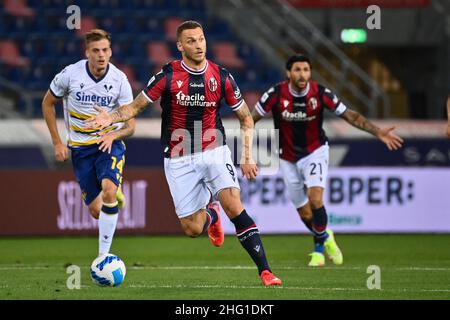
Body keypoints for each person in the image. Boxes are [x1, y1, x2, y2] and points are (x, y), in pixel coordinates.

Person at [86, 20, 281, 286]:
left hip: (214, 149)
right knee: (192, 229)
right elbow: (135, 107)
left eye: (201, 39)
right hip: (178, 155)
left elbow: (246, 118)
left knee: (234, 205)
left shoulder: (221, 76)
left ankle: (265, 272)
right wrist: (110, 117)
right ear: (180, 46)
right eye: (191, 41)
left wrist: (246, 155)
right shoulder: (167, 75)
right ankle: (211, 214)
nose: (198, 45)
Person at [252, 54, 404, 267]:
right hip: (286, 157)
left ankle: (318, 251)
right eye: (297, 69)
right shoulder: (275, 94)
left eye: (306, 69)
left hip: (315, 151)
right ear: (288, 73)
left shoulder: (320, 93)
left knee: (315, 199)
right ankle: (326, 236)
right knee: (304, 212)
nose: (302, 73)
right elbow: (251, 119)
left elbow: (349, 115)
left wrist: (377, 131)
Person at [42, 29, 136, 257]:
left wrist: (113, 135)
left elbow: (131, 127)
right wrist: (57, 143)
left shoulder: (120, 80)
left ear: (111, 52)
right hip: (80, 148)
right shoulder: (70, 75)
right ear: (87, 53)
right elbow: (47, 103)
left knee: (108, 191)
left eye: (105, 50)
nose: (101, 55)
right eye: (96, 51)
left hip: (108, 143)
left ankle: (103, 256)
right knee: (96, 211)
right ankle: (113, 193)